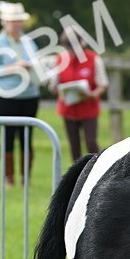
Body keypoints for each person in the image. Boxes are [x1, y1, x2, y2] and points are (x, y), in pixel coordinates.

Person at [0, 1, 42, 187]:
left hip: (29, 94)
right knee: (8, 135)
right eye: (12, 21)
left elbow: (37, 62)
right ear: (4, 22)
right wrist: (14, 67)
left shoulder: (29, 42)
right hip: (6, 95)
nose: (16, 24)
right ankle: (8, 178)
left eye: (18, 21)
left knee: (27, 135)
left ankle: (26, 177)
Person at [50, 27, 107, 162]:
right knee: (74, 145)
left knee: (91, 143)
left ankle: (97, 168)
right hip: (68, 108)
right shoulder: (59, 60)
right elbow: (53, 86)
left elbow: (102, 84)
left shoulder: (93, 59)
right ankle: (77, 173)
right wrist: (62, 92)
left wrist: (92, 94)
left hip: (88, 108)